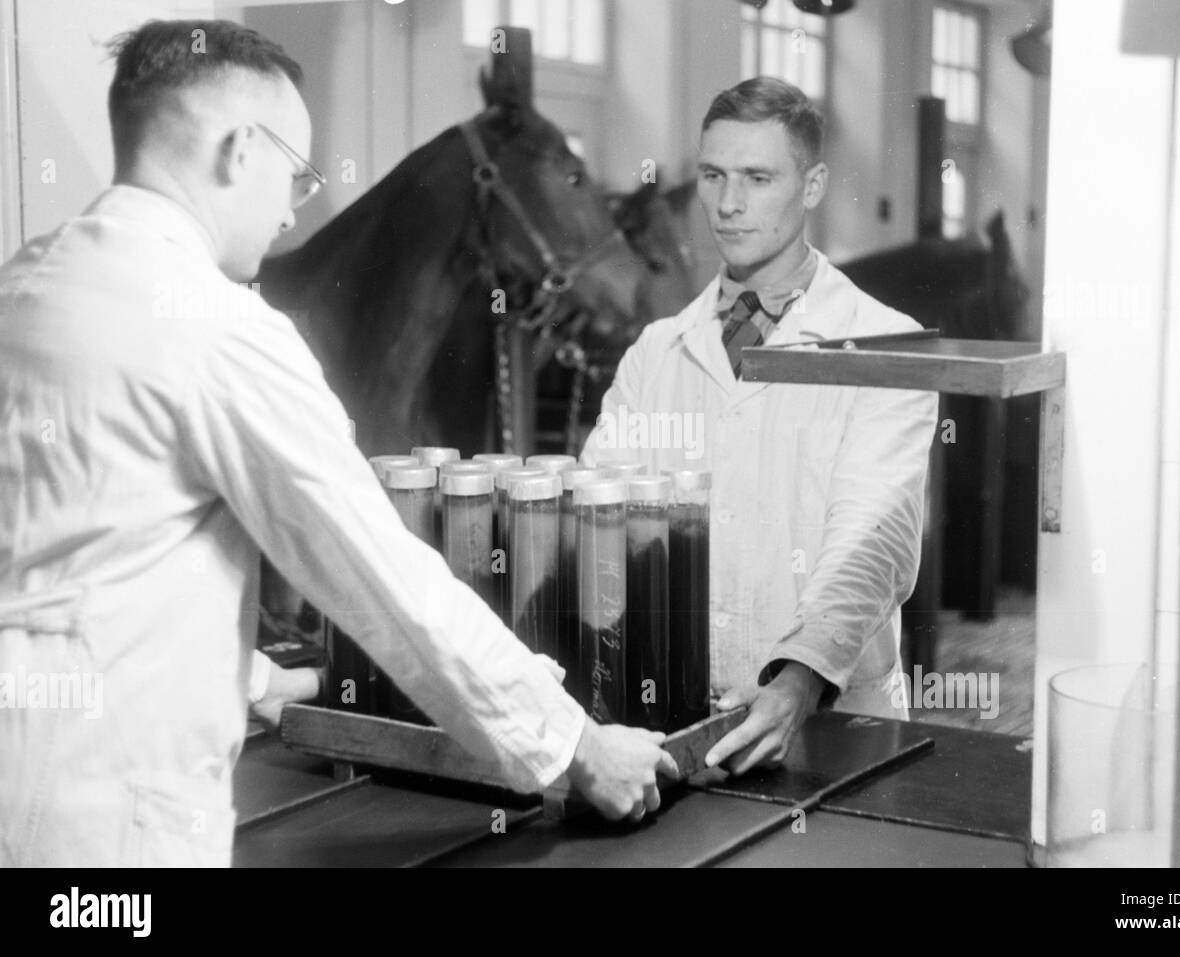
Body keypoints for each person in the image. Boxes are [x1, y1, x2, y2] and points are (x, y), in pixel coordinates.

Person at [0, 19, 674, 868]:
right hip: (111, 830)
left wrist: (251, 679)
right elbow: (378, 575)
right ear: (240, 148)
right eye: (296, 174)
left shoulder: (26, 284)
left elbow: (68, 567)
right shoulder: (215, 326)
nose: (292, 209)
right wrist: (577, 744)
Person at [582, 77, 938, 775]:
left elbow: (874, 538)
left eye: (757, 177)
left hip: (834, 727)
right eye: (713, 175)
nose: (727, 203)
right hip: (677, 726)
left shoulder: (886, 343)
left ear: (812, 186)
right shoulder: (658, 351)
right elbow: (600, 523)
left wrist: (801, 677)